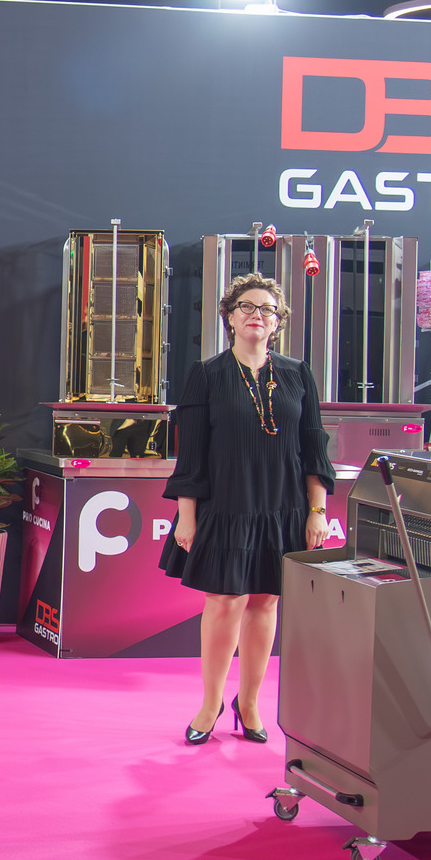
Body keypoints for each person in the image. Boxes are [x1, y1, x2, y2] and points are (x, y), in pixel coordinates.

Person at [161, 272, 334, 746]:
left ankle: (250, 702)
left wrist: (317, 511)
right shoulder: (207, 374)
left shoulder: (298, 373)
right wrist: (187, 516)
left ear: (278, 322)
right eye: (247, 307)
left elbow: (313, 446)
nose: (257, 315)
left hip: (284, 508)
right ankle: (210, 703)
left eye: (268, 309)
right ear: (230, 318)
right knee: (224, 602)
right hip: (226, 506)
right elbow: (191, 455)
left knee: (265, 602)